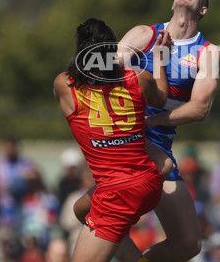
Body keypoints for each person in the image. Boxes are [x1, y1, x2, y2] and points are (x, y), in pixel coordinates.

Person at [74, 0, 220, 262]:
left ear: (202, 9)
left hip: (159, 141)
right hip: (128, 141)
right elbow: (104, 73)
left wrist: (153, 122)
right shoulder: (145, 34)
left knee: (188, 243)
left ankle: (123, 247)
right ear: (173, 3)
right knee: (104, 207)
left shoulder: (208, 52)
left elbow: (199, 108)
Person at [53, 18, 170, 262]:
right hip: (147, 181)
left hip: (116, 191)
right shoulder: (139, 78)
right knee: (80, 210)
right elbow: (160, 100)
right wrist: (159, 58)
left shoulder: (65, 84)